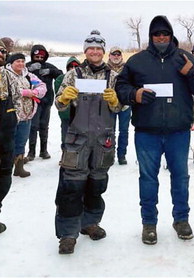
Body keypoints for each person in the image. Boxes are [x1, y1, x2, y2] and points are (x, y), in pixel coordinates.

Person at [115, 15, 194, 245]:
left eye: (165, 34)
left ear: (171, 35)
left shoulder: (184, 57)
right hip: (147, 131)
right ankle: (149, 223)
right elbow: (120, 86)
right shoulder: (137, 61)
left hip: (178, 131)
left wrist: (192, 72)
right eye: (157, 34)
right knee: (148, 178)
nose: (161, 37)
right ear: (151, 36)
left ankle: (181, 219)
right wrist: (134, 94)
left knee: (181, 177)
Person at [54, 30, 122, 254]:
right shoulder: (74, 74)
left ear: (103, 51)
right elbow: (59, 105)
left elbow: (122, 106)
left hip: (103, 142)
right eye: (90, 48)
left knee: (97, 185)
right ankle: (68, 233)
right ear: (85, 51)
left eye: (98, 48)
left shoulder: (113, 76)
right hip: (77, 140)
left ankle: (90, 223)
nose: (94, 51)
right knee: (71, 187)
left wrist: (116, 102)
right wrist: (64, 98)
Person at [5, 53, 46, 177]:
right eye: (18, 61)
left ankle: (19, 167)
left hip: (27, 115)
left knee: (21, 142)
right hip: (10, 116)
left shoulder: (29, 75)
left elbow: (43, 86)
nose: (21, 64)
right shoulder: (5, 75)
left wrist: (34, 92)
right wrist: (24, 92)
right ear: (11, 63)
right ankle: (5, 168)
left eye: (23, 61)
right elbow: (5, 90)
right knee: (8, 142)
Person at [0, 38, 17, 233]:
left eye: (2, 51)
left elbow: (17, 100)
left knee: (3, 179)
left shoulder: (8, 77)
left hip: (6, 137)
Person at [26, 44, 63, 161]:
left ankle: (44, 150)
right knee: (33, 126)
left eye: (42, 57)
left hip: (47, 101)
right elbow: (17, 73)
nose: (39, 59)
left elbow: (60, 74)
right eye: (37, 56)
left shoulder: (48, 66)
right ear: (33, 55)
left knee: (44, 126)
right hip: (33, 101)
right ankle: (31, 152)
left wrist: (50, 71)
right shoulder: (27, 66)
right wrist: (29, 69)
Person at [107, 46, 131, 165]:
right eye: (113, 54)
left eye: (118, 55)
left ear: (121, 56)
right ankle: (109, 154)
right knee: (109, 131)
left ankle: (122, 155)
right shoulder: (104, 68)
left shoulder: (127, 68)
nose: (116, 57)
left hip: (125, 105)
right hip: (109, 104)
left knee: (124, 131)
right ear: (109, 56)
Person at [54, 56, 80, 151]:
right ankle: (65, 154)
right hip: (66, 113)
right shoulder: (61, 78)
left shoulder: (83, 79)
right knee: (65, 134)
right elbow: (58, 94)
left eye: (75, 66)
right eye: (70, 66)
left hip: (79, 114)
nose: (73, 68)